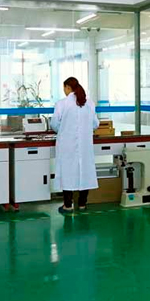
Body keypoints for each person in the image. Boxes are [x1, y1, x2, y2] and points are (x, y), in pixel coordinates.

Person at [51, 77, 99, 213]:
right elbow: (95, 124)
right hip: (85, 145)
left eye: (64, 88)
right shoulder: (89, 103)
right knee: (85, 171)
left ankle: (67, 205)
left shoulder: (62, 104)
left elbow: (54, 124)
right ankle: (82, 204)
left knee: (67, 172)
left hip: (67, 144)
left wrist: (63, 129)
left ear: (67, 87)